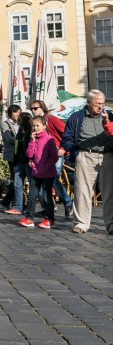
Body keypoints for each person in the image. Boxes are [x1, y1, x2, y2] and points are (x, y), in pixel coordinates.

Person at [61, 89, 113, 235]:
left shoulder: (109, 116)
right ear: (89, 103)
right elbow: (67, 137)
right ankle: (81, 224)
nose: (100, 107)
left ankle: (111, 224)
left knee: (109, 193)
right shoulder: (77, 117)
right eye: (97, 104)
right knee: (82, 192)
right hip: (85, 155)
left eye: (102, 103)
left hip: (107, 156)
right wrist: (76, 154)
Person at [29, 100, 73, 219]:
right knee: (45, 180)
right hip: (42, 156)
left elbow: (67, 132)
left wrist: (64, 148)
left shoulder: (51, 119)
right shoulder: (34, 124)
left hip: (56, 153)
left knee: (52, 179)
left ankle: (67, 202)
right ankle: (49, 207)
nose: (33, 111)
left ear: (43, 108)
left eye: (35, 108)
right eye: (31, 109)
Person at [22, 115, 58, 229]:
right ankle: (29, 218)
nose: (35, 128)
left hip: (47, 173)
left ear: (44, 126)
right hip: (36, 172)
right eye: (33, 126)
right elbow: (29, 154)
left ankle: (49, 219)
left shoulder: (49, 139)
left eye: (37, 125)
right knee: (32, 195)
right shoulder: (33, 138)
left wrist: (45, 167)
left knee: (47, 196)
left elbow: (54, 157)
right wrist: (32, 141)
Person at [6, 114, 33, 216]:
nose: (17, 119)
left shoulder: (31, 132)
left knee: (35, 188)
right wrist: (14, 162)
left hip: (29, 163)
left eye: (20, 118)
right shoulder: (19, 132)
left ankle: (47, 207)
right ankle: (18, 207)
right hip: (20, 163)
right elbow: (16, 149)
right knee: (17, 185)